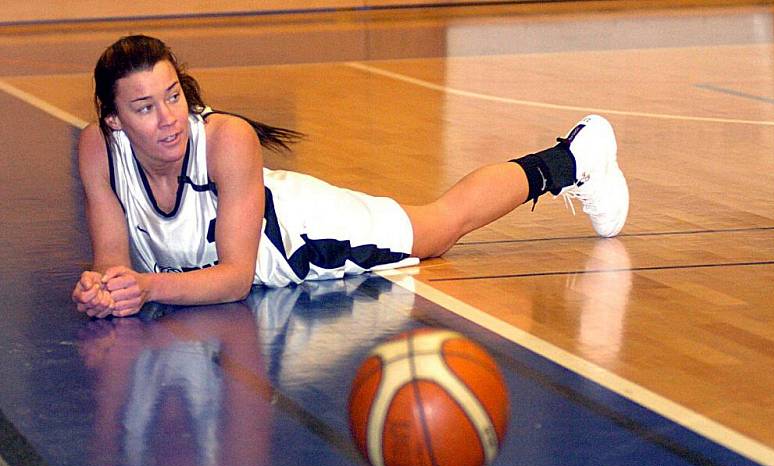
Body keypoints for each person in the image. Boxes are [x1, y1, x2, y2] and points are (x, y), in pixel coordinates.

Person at [72, 35, 629, 319]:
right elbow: (113, 256)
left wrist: (144, 288)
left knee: (438, 228)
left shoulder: (227, 139)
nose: (168, 117)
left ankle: (572, 160)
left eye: (172, 96)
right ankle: (572, 161)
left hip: (298, 239)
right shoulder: (99, 148)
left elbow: (235, 278)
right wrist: (107, 286)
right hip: (244, 244)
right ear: (114, 119)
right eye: (144, 108)